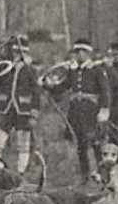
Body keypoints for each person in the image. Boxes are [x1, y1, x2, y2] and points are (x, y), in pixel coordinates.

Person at [47, 39, 113, 182]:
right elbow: (63, 87)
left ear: (88, 53)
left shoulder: (97, 70)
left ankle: (104, 174)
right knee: (81, 144)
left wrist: (104, 110)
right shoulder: (73, 71)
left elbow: (105, 92)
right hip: (76, 112)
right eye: (76, 52)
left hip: (91, 111)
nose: (78, 55)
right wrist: (49, 85)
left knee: (96, 144)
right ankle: (85, 175)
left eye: (81, 52)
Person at [0, 36, 40, 174]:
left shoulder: (30, 70)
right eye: (15, 53)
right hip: (6, 109)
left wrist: (34, 112)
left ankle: (21, 172)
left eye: (20, 53)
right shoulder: (5, 68)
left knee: (23, 143)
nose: (17, 56)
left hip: (23, 110)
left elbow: (36, 92)